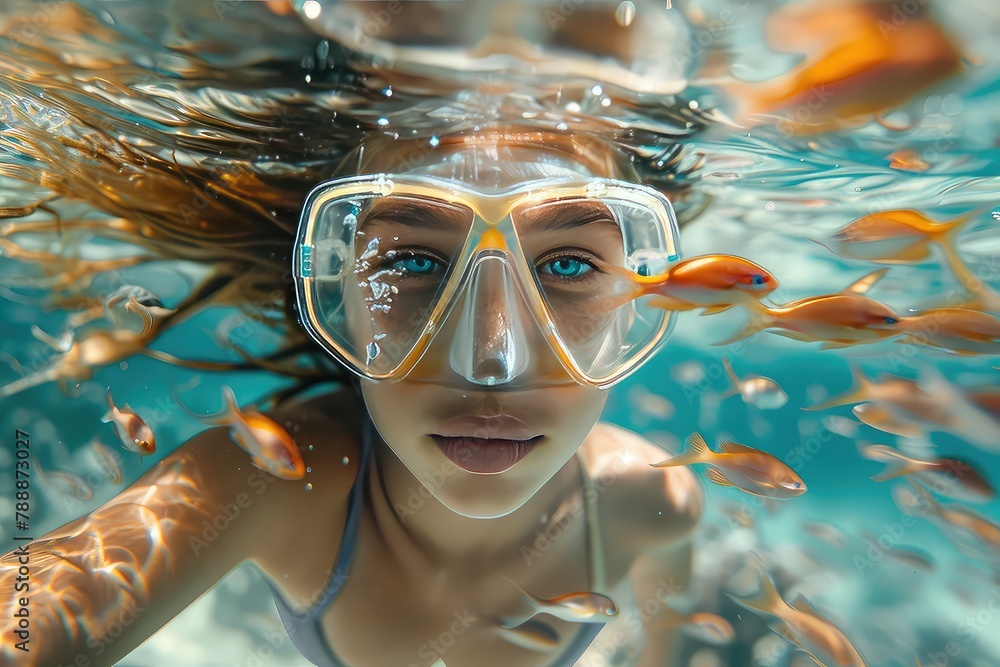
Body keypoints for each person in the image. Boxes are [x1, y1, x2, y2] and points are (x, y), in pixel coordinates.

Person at [0, 125, 702, 667]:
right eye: (415, 261)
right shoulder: (272, 480)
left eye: (570, 265)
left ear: (635, 306)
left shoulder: (655, 498)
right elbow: (28, 617)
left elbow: (666, 634)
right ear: (340, 304)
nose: (492, 358)